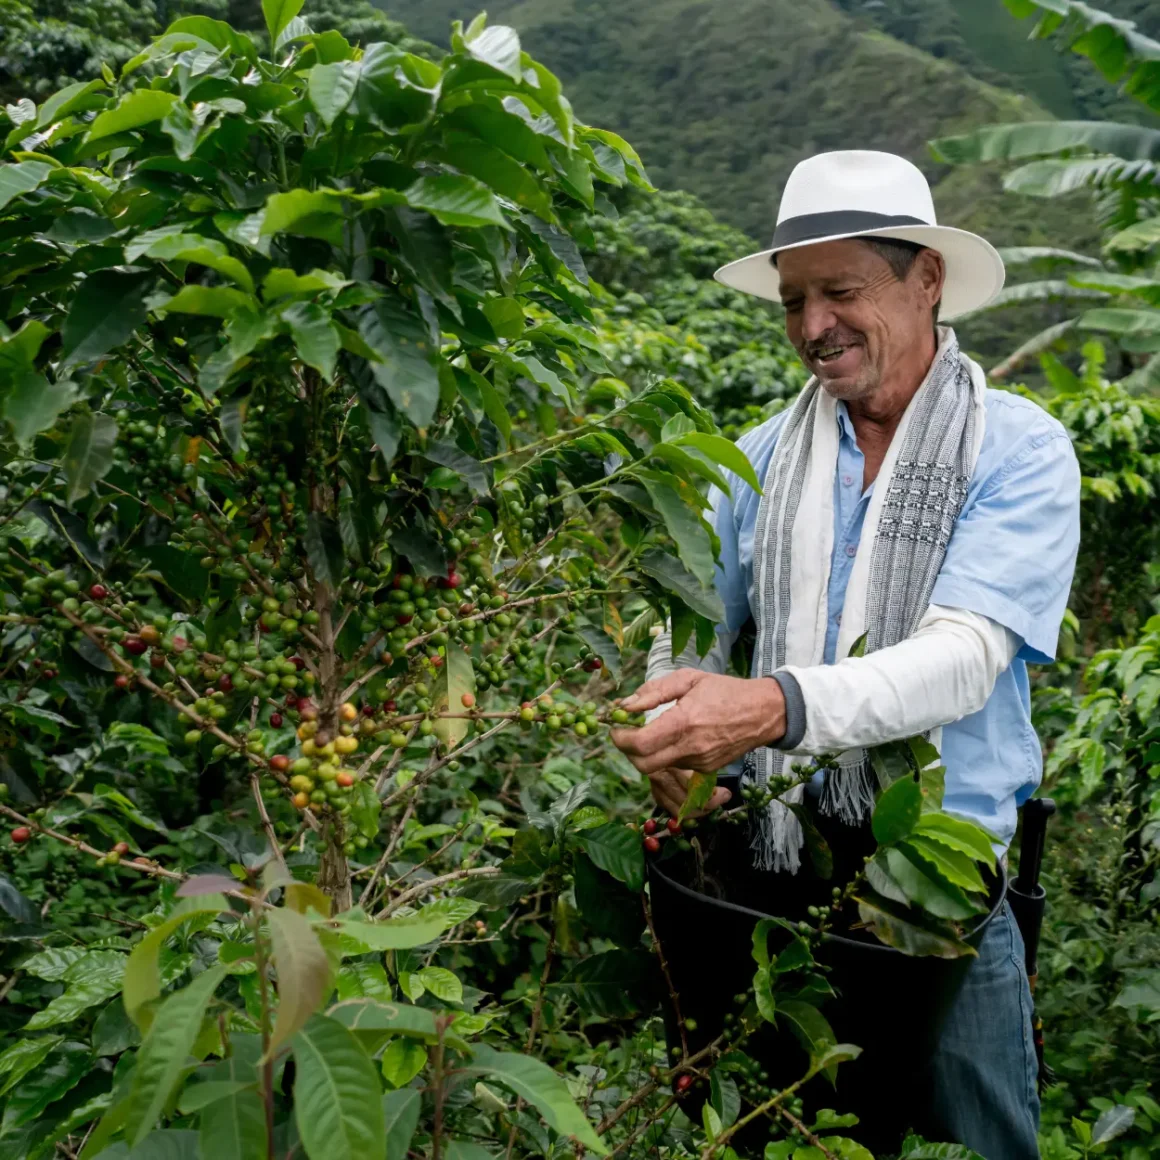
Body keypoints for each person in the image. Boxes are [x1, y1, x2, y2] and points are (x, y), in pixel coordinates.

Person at [609, 150, 1080, 1158]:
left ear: (925, 281)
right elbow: (685, 620)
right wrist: (667, 718)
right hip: (770, 865)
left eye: (839, 291)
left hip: (937, 882)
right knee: (778, 1124)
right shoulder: (758, 457)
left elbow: (957, 661)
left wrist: (768, 705)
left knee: (979, 1133)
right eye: (791, 300)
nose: (811, 326)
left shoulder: (1017, 451)